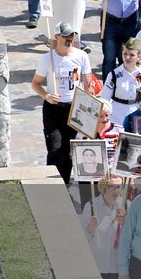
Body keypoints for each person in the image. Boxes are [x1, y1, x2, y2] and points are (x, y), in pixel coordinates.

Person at [33, 21, 93, 183]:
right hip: (54, 109)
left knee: (75, 149)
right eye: (65, 35)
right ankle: (57, 186)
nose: (69, 38)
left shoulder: (81, 56)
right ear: (57, 37)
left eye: (71, 35)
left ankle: (78, 184)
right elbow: (36, 83)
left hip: (75, 108)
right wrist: (46, 95)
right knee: (56, 149)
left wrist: (90, 97)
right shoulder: (48, 59)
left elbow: (88, 83)